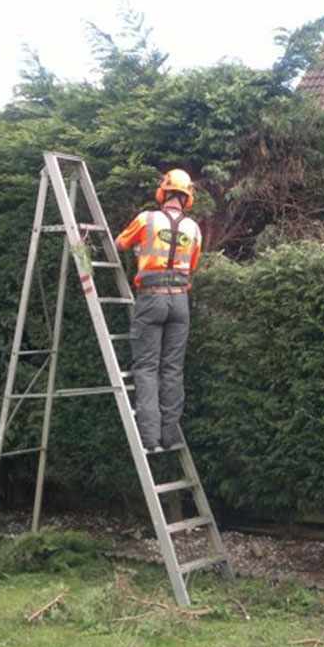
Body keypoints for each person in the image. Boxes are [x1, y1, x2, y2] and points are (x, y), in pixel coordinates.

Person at [114, 169, 202, 451]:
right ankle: (169, 436)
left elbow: (119, 244)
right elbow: (192, 266)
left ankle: (150, 438)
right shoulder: (194, 229)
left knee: (147, 367)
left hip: (151, 299)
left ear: (163, 192)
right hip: (179, 301)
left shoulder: (146, 219)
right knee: (173, 369)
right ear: (187, 196)